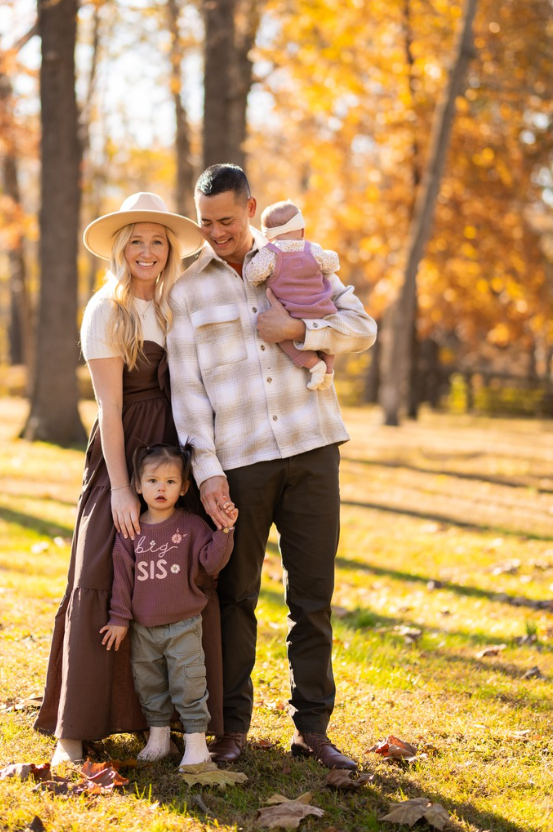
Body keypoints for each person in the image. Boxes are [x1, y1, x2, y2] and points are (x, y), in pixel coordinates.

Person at [167, 164, 377, 770]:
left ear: (251, 208)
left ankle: (313, 729)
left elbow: (361, 328)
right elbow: (187, 393)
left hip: (313, 448)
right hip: (240, 463)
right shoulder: (186, 291)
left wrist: (302, 329)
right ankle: (232, 728)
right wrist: (207, 471)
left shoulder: (299, 258)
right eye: (206, 223)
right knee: (236, 599)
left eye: (227, 220)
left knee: (312, 598)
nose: (217, 233)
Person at [33, 192, 227, 765]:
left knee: (173, 575)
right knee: (101, 566)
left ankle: (169, 723)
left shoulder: (174, 306)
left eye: (158, 241)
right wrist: (120, 488)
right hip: (124, 453)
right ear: (121, 249)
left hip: (174, 455)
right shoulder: (105, 310)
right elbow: (110, 410)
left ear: (170, 250)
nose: (147, 251)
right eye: (136, 241)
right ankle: (73, 731)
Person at [100, 444, 238, 770]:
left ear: (184, 487)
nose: (161, 488)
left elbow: (212, 564)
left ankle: (196, 744)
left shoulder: (191, 526)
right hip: (143, 628)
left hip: (184, 624)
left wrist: (225, 530)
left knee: (189, 683)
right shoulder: (131, 529)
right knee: (149, 684)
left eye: (170, 482)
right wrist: (119, 618)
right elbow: (122, 578)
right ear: (137, 485)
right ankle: (159, 738)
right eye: (152, 481)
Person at [245, 199, 341, 392]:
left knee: (283, 337)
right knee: (328, 339)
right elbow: (333, 263)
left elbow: (253, 275)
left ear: (268, 236)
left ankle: (314, 365)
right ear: (302, 231)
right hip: (321, 310)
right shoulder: (312, 250)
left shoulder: (270, 254)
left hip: (292, 314)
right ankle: (329, 367)